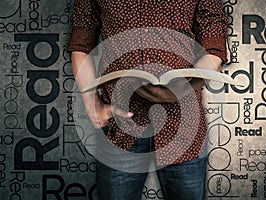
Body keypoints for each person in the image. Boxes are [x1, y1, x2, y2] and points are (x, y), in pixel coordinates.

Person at [68, 0, 228, 199]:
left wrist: (183, 85)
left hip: (183, 124)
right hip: (119, 125)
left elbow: (213, 47)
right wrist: (93, 105)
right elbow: (82, 43)